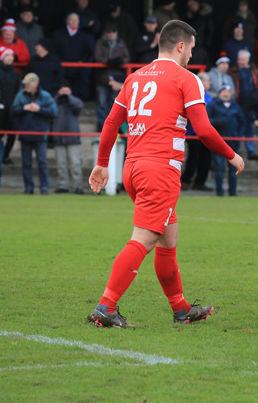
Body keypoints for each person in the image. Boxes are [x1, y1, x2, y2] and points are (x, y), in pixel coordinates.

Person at [86, 19, 245, 328]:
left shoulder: (134, 78)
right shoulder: (186, 79)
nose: (191, 57)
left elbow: (109, 123)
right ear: (181, 45)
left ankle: (181, 308)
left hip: (133, 167)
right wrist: (232, 155)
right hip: (160, 169)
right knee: (143, 240)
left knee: (167, 238)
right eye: (191, 50)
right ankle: (106, 306)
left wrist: (103, 163)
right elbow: (204, 130)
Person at [12, 73, 58, 195]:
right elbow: (13, 111)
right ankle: (28, 188)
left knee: (42, 162)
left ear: (35, 83)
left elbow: (54, 112)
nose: (26, 86)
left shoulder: (45, 96)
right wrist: (24, 108)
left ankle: (44, 188)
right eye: (25, 84)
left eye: (28, 83)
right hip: (25, 133)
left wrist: (39, 109)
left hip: (40, 134)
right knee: (26, 162)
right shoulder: (20, 96)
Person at [207, 85, 245, 197]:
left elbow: (242, 122)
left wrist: (238, 135)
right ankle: (219, 192)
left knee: (234, 169)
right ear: (219, 93)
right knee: (219, 168)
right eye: (223, 91)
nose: (226, 93)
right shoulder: (213, 105)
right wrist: (217, 122)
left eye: (228, 91)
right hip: (218, 142)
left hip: (233, 142)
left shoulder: (236, 106)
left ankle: (232, 193)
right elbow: (206, 120)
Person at [0, 50, 22, 165]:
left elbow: (17, 90)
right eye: (7, 55)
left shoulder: (15, 74)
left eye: (11, 55)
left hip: (11, 107)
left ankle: (5, 155)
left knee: (12, 132)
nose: (10, 58)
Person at [94, 24, 130, 130]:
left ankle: (111, 127)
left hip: (118, 77)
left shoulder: (121, 43)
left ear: (116, 33)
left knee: (114, 103)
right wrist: (109, 62)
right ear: (105, 33)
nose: (111, 34)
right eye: (109, 32)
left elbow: (126, 58)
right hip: (102, 77)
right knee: (101, 103)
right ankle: (101, 127)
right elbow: (97, 57)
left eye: (113, 31)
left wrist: (118, 62)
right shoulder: (100, 43)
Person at [52, 83, 84, 194]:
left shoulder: (74, 101)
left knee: (75, 163)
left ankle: (78, 186)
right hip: (58, 136)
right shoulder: (55, 101)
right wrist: (58, 97)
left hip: (72, 137)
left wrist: (69, 97)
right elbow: (50, 108)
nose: (65, 94)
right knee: (61, 164)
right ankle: (63, 185)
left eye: (67, 91)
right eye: (63, 91)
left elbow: (79, 106)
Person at [53, 13, 93, 100]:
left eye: (76, 20)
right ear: (67, 21)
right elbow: (54, 50)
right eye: (71, 19)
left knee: (76, 92)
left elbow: (88, 51)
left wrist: (82, 60)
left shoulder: (84, 35)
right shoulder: (59, 34)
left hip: (77, 70)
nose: (74, 22)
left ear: (79, 21)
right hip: (62, 69)